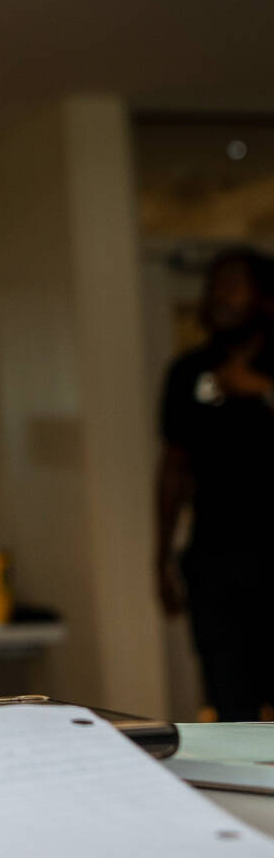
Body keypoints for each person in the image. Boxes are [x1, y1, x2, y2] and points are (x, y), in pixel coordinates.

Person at [156, 247, 274, 721]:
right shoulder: (188, 372)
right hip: (216, 558)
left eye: (232, 285)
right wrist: (160, 557)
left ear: (264, 297)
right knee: (228, 700)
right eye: (213, 286)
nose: (218, 297)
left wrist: (262, 391)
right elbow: (173, 467)